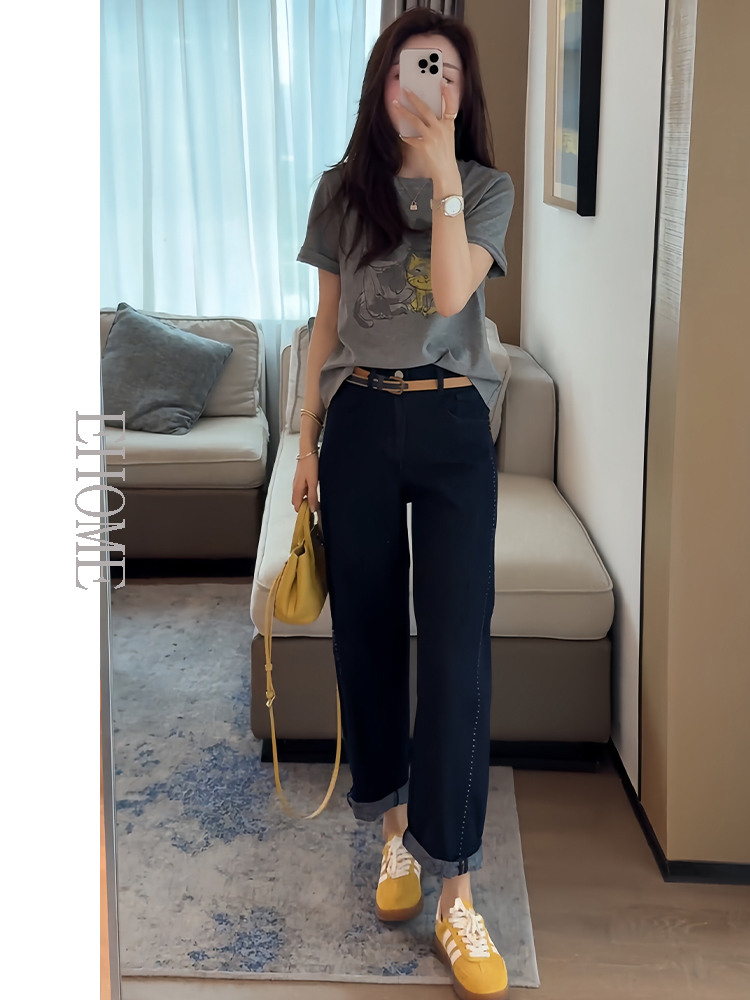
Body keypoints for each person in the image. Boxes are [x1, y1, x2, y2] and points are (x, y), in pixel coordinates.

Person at [293, 8, 513, 999]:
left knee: (460, 650)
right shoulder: (340, 192)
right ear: (381, 82)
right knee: (368, 637)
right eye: (412, 70)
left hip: (454, 422)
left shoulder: (487, 189)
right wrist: (305, 440)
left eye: (446, 74)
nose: (427, 87)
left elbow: (453, 296)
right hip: (359, 423)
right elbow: (325, 327)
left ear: (464, 96)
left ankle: (457, 888)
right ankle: (391, 835)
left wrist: (442, 175)